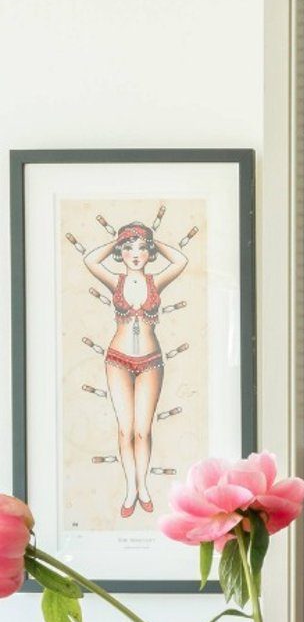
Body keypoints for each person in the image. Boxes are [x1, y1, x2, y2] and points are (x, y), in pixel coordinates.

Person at [78, 222, 188, 517]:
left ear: (150, 252)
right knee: (125, 430)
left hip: (151, 361)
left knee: (143, 431)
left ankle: (144, 486)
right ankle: (130, 488)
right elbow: (89, 259)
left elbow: (181, 260)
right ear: (120, 252)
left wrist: (154, 239)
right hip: (117, 360)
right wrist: (117, 239)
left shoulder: (157, 281)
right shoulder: (115, 282)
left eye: (142, 248)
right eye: (128, 248)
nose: (135, 253)